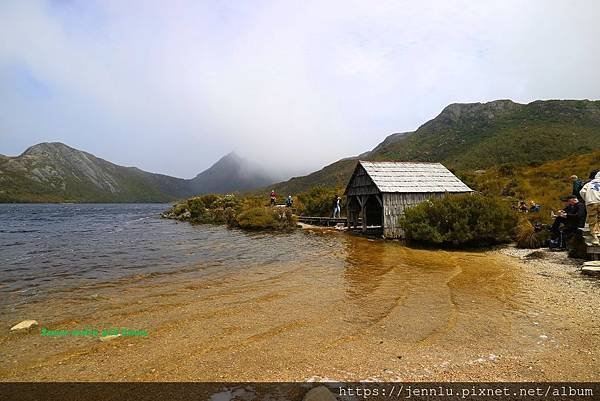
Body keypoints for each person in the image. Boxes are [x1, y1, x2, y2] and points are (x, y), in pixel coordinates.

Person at [579, 171, 600, 245]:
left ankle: (595, 238)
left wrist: (587, 199)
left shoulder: (589, 184)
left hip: (591, 202)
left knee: (592, 220)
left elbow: (582, 192)